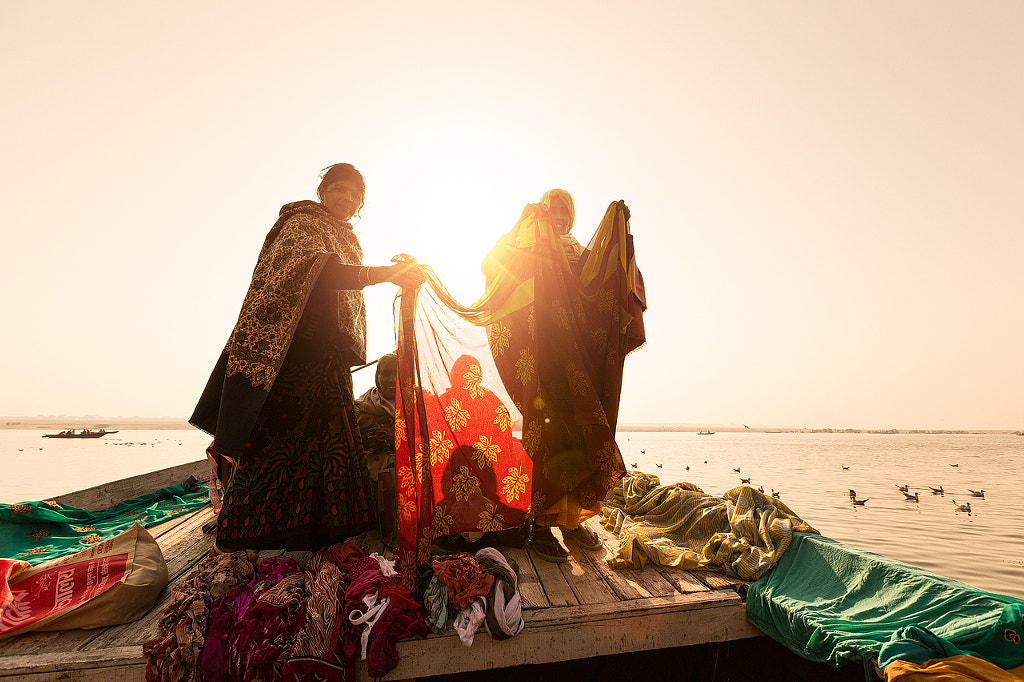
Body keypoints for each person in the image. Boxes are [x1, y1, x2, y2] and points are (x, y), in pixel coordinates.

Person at [190, 163, 424, 552]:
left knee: (329, 441)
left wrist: (395, 269)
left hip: (328, 355)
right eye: (339, 190)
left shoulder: (346, 238)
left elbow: (349, 279)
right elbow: (324, 275)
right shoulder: (301, 224)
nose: (347, 200)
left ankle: (321, 529)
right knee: (277, 440)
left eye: (355, 196)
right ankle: (250, 527)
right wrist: (387, 273)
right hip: (292, 351)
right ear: (323, 192)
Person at [481, 188, 646, 563]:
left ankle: (570, 520)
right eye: (551, 210)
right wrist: (518, 224)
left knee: (581, 433)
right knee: (547, 434)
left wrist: (623, 234)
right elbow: (493, 265)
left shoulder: (582, 257)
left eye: (564, 212)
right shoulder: (529, 249)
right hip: (542, 360)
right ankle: (539, 525)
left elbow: (609, 286)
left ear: (571, 217)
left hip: (578, 364)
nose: (558, 217)